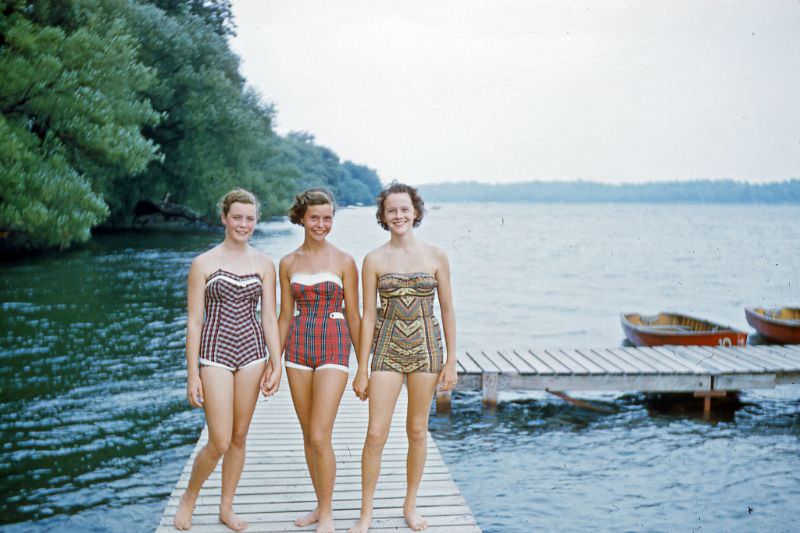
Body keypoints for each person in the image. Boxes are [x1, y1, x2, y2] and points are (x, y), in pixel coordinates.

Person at [349, 182, 458, 533]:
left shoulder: (436, 256)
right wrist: (361, 369)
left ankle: (410, 506)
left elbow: (447, 310)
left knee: (417, 430)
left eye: (404, 209)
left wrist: (451, 360)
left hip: (427, 350)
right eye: (391, 210)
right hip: (386, 351)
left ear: (416, 212)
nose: (398, 215)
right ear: (383, 215)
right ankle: (366, 512)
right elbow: (368, 316)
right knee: (375, 434)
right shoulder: (374, 260)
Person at [174, 188, 283, 531]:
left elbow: (268, 317)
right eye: (237, 217)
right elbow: (194, 321)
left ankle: (226, 507)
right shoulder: (203, 263)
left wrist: (275, 361)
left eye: (250, 218)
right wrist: (192, 374)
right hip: (215, 353)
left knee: (238, 437)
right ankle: (190, 496)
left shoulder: (265, 264)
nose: (243, 224)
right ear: (223, 218)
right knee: (219, 438)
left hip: (252, 353)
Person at [278, 188, 361, 533]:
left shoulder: (343, 261)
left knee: (319, 432)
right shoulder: (288, 262)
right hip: (297, 347)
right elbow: (284, 315)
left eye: (327, 218)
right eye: (315, 218)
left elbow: (355, 316)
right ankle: (318, 504)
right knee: (307, 434)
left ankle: (327, 513)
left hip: (333, 344)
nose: (322, 224)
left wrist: (364, 368)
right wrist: (273, 362)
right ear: (301, 218)